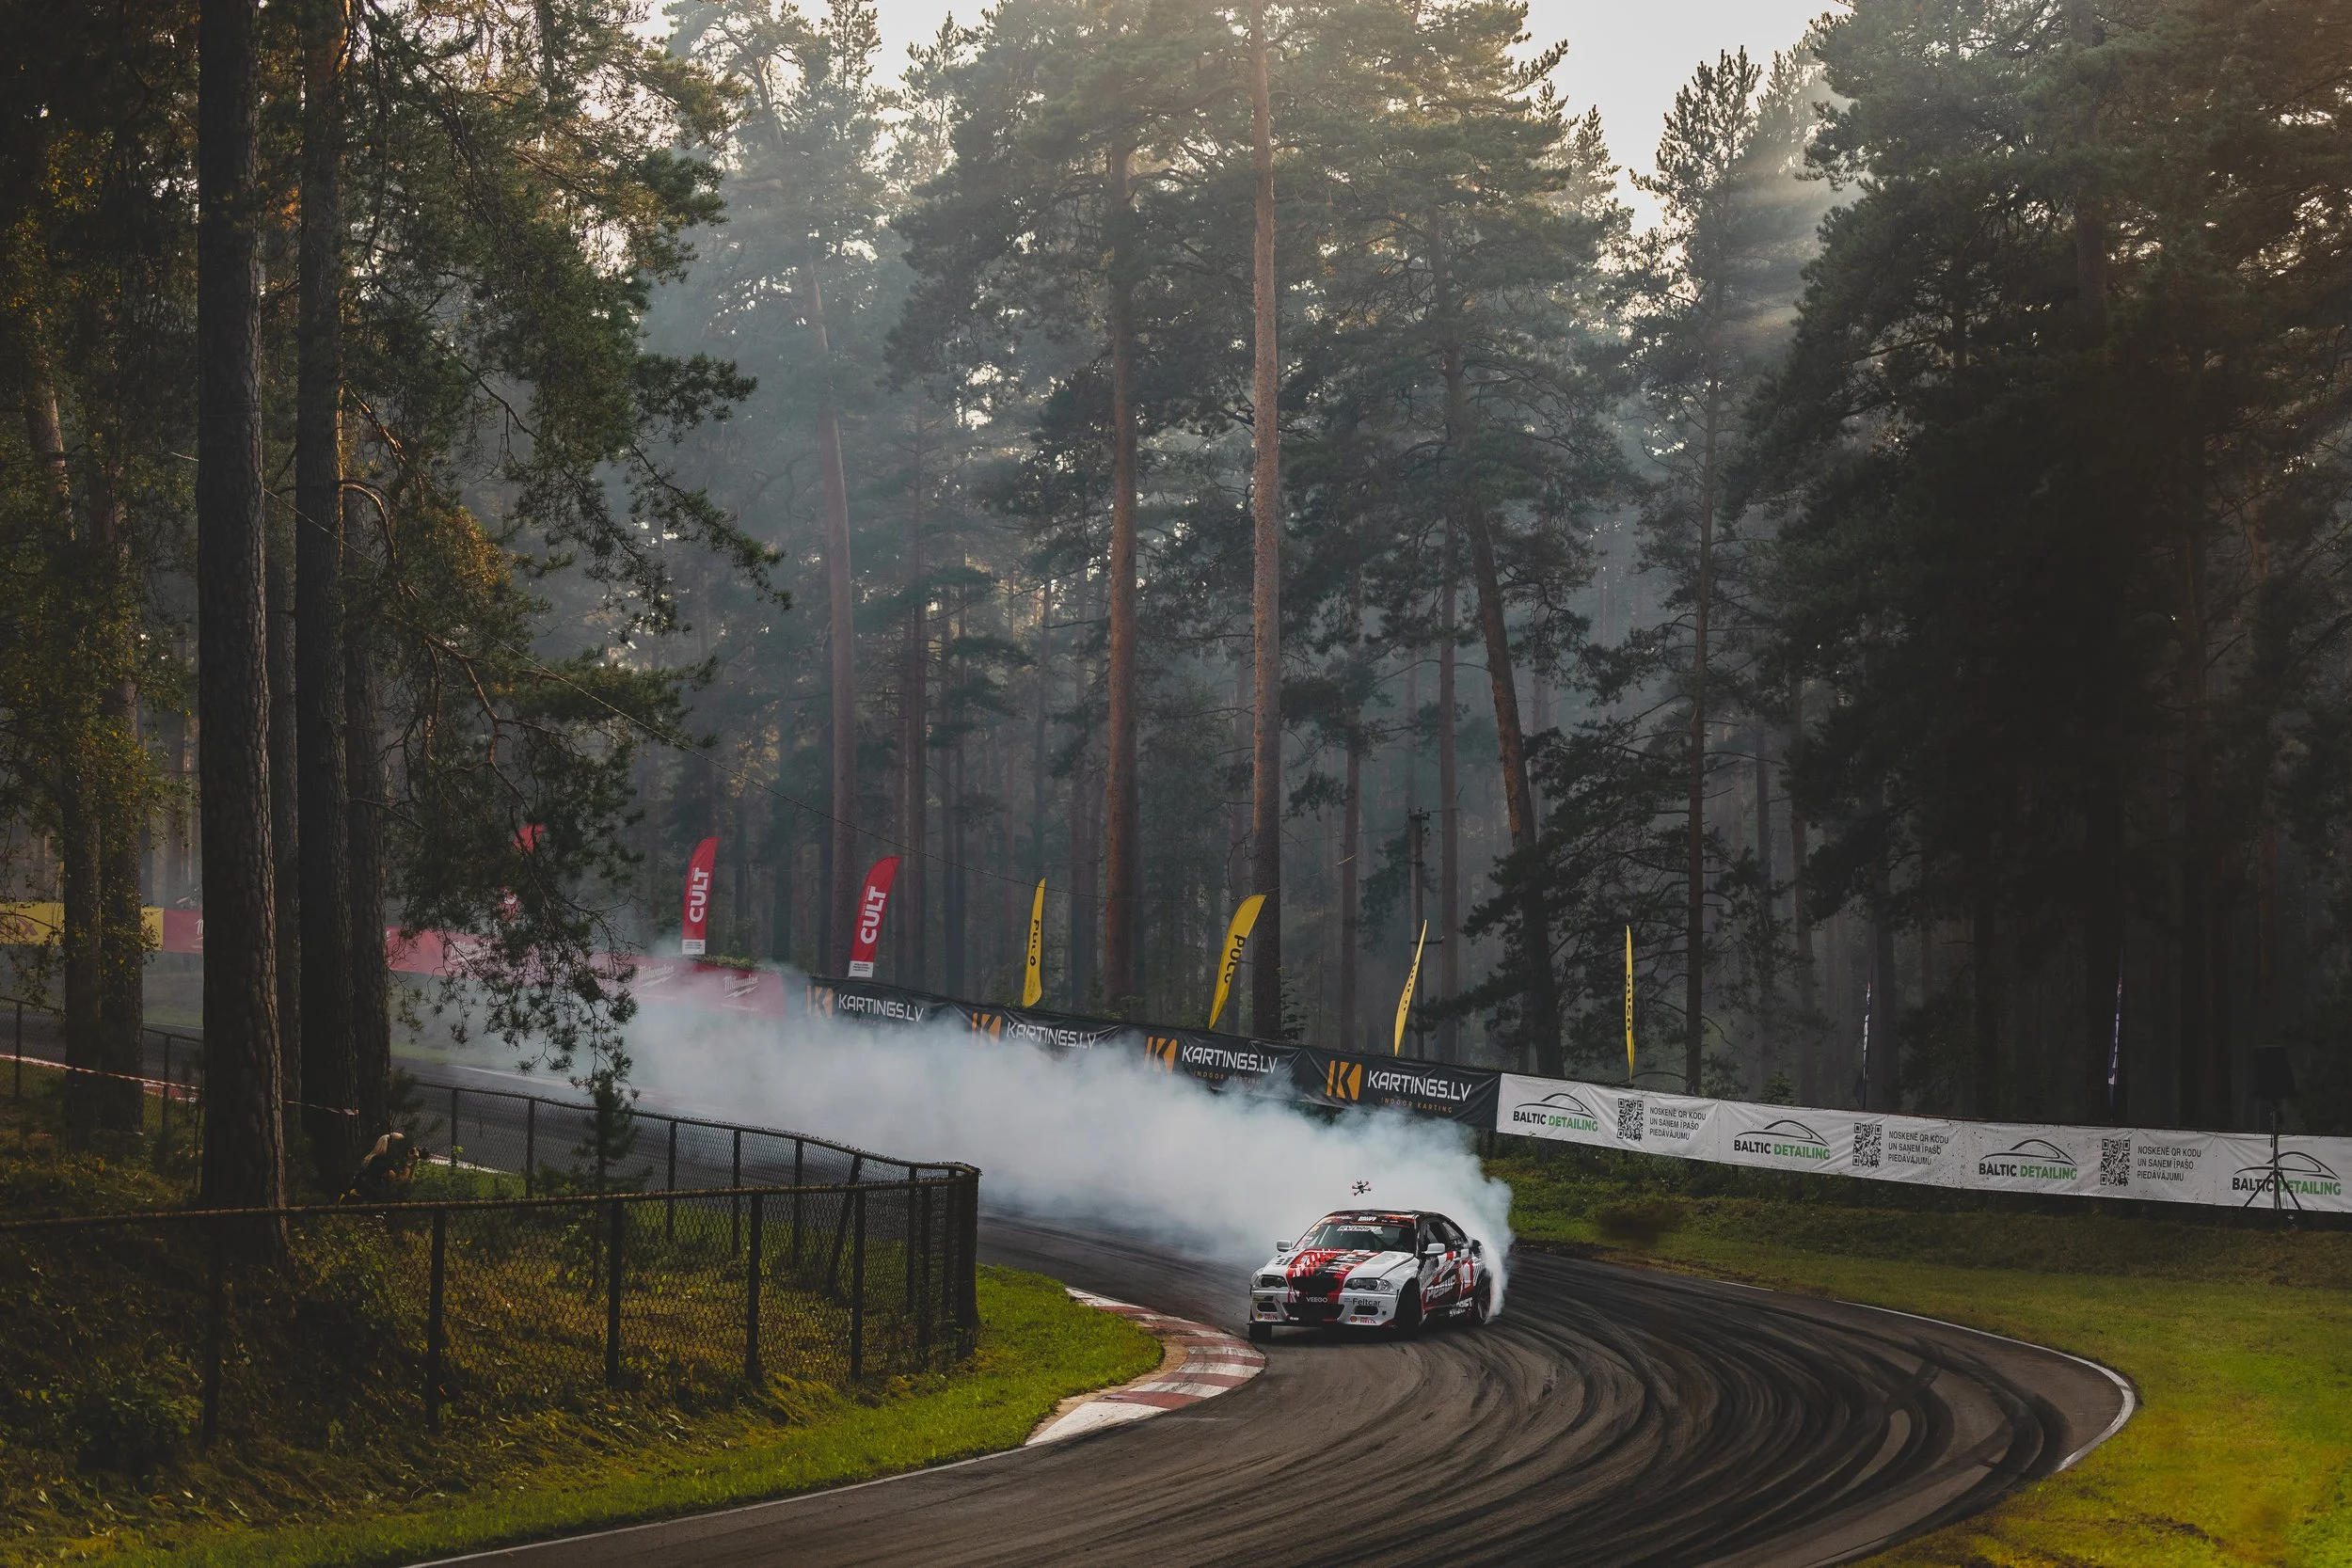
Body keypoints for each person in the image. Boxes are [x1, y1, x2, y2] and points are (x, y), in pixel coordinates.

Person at [342, 1130, 421, 1203]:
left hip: (362, 1194)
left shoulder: (375, 1159)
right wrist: (411, 1164)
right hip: (368, 1197)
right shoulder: (383, 1161)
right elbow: (400, 1181)